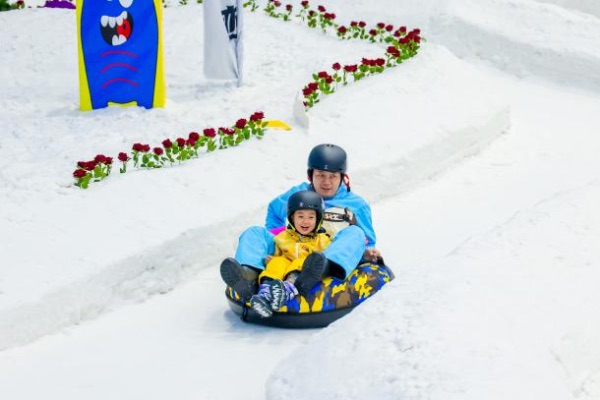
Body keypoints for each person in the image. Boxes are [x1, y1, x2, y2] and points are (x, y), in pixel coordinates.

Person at [220, 143, 381, 302]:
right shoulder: (298, 193)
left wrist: (368, 252)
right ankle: (248, 275)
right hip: (290, 248)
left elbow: (366, 240)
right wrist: (278, 241)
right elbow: (275, 210)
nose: (326, 182)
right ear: (310, 175)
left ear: (343, 178)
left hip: (323, 252)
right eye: (320, 175)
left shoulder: (357, 205)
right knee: (254, 232)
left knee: (356, 233)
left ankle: (319, 269)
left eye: (333, 176)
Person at [249, 190, 331, 318]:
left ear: (318, 219)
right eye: (300, 216)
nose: (305, 221)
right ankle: (264, 295)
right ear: (292, 218)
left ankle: (286, 291)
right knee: (278, 262)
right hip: (284, 266)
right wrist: (271, 260)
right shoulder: (283, 237)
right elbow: (278, 254)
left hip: (302, 271)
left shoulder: (322, 239)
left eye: (311, 217)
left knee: (301, 261)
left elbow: (326, 257)